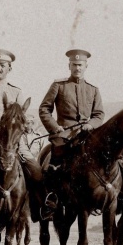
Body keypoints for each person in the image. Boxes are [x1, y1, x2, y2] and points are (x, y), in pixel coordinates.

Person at [0, 49, 50, 221]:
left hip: (13, 145)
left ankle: (40, 209)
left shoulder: (17, 92)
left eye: (2, 65)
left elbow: (20, 117)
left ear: (9, 69)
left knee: (36, 171)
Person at [38, 49, 105, 206]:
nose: (78, 68)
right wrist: (55, 128)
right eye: (74, 65)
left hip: (87, 133)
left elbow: (99, 114)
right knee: (57, 156)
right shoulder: (59, 85)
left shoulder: (93, 89)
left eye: (81, 65)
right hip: (64, 133)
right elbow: (44, 109)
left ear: (86, 66)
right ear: (69, 66)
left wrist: (90, 125)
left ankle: (106, 193)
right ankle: (52, 196)